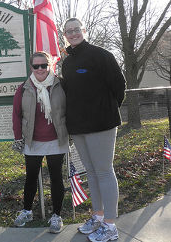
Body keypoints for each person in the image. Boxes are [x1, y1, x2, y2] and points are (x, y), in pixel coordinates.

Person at [61, 17, 126, 242]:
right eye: (68, 31)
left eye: (76, 30)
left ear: (84, 31)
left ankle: (110, 225)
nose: (73, 34)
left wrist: (106, 111)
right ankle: (98, 217)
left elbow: (119, 86)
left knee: (104, 171)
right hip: (78, 127)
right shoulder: (67, 62)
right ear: (65, 35)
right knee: (90, 172)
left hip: (102, 124)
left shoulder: (102, 55)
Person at [12, 51, 69, 233]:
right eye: (36, 66)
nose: (40, 69)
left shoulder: (61, 85)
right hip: (33, 141)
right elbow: (16, 115)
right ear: (31, 67)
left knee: (55, 177)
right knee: (30, 178)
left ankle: (56, 215)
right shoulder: (24, 88)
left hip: (56, 139)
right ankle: (27, 211)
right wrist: (18, 137)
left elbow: (70, 109)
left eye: (44, 65)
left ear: (50, 65)